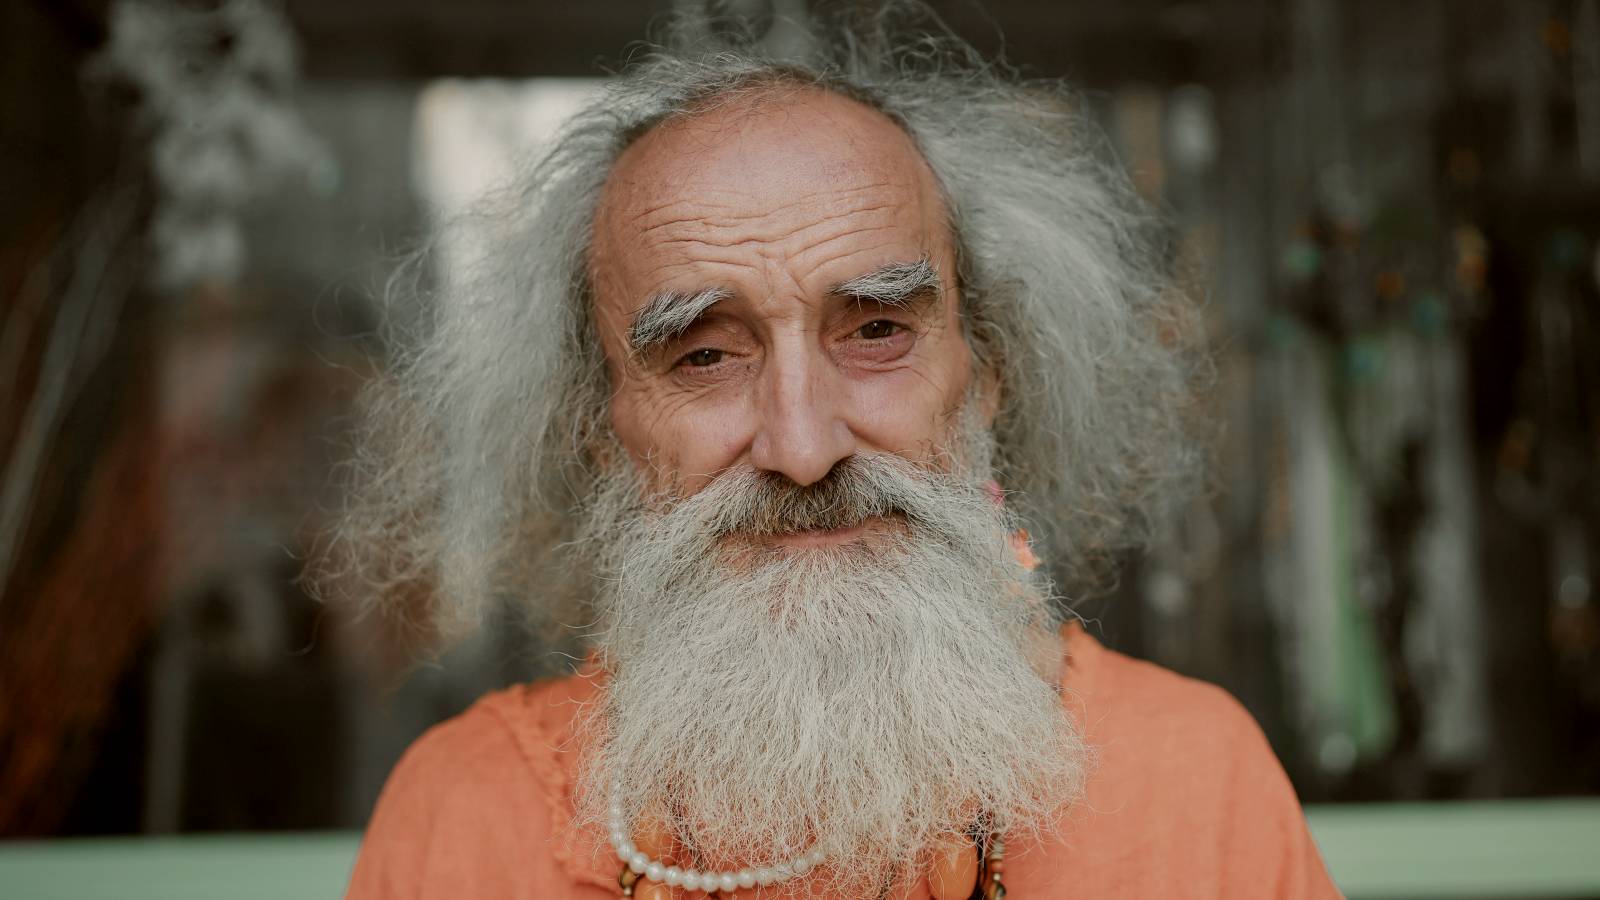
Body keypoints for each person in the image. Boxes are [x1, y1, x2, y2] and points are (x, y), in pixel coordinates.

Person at [331, 5, 1339, 898]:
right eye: (705, 356)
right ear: (601, 429)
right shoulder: (465, 817)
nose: (803, 447)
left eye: (874, 333)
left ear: (985, 369)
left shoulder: (1194, 778)